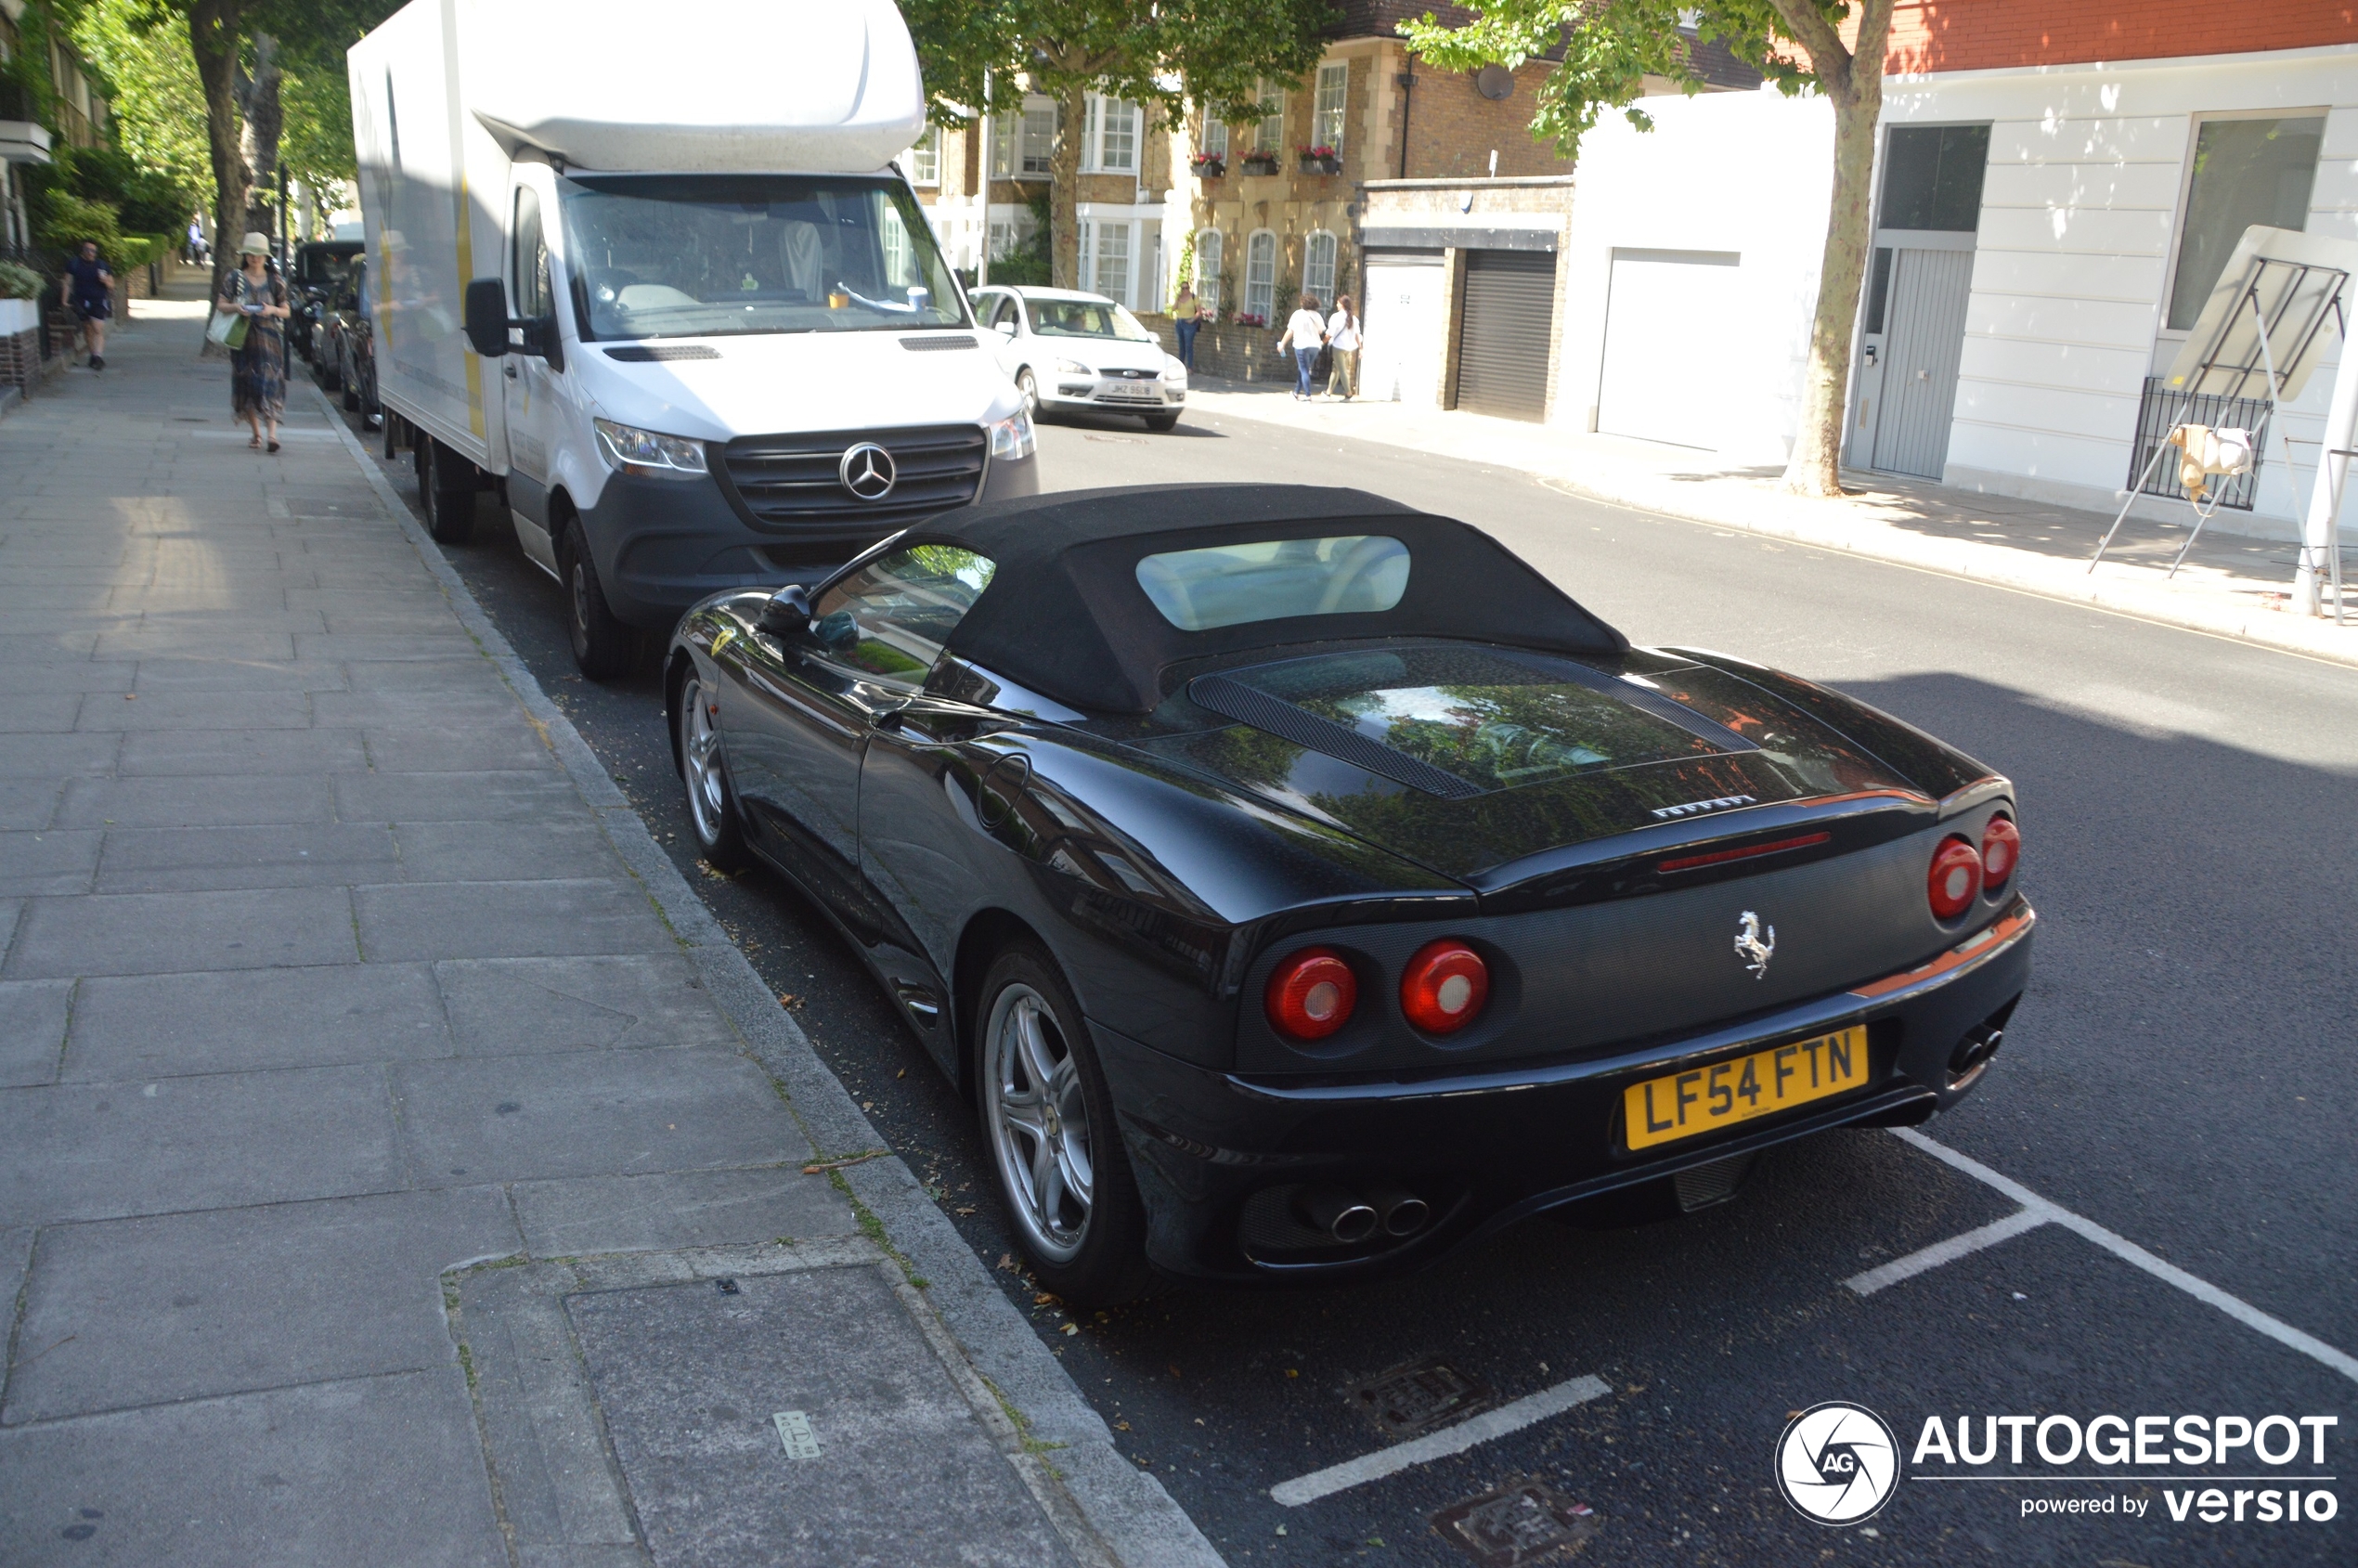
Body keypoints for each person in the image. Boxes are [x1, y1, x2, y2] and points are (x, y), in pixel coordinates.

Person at [219, 232, 290, 452]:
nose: (255, 258)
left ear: (266, 257)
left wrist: (272, 310)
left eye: (259, 255)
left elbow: (287, 311)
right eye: (251, 254)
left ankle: (272, 435)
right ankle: (256, 434)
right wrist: (236, 308)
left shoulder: (275, 281)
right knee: (247, 385)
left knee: (270, 385)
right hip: (243, 340)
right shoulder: (234, 278)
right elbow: (221, 304)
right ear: (245, 255)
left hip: (269, 342)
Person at [60, 240, 112, 370]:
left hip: (98, 300)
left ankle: (98, 357)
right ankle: (92, 355)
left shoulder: (101, 265)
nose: (90, 253)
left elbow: (111, 285)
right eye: (87, 250)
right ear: (82, 250)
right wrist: (64, 300)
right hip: (81, 301)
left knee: (97, 329)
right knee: (87, 329)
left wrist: (105, 281)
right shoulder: (74, 264)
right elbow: (67, 283)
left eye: (93, 251)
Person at [1276, 293, 1325, 400]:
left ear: (1303, 303)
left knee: (1304, 370)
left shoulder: (1298, 314)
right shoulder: (1317, 316)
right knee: (1303, 368)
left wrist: (1282, 343)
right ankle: (1296, 393)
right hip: (1315, 346)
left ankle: (1308, 395)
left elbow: (1290, 331)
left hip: (1301, 345)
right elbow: (1321, 331)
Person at [1325, 294, 1362, 401]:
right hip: (1349, 348)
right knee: (1336, 368)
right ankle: (1328, 392)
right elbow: (1357, 335)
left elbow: (1329, 334)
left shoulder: (1336, 317)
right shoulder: (1354, 318)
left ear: (1342, 304)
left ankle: (1348, 393)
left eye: (1338, 303)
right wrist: (1361, 348)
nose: (1336, 305)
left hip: (1338, 347)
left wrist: (1322, 342)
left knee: (1341, 370)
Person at [1173, 282, 1199, 370]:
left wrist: (1192, 320)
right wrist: (1177, 299)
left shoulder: (1194, 297)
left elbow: (1199, 311)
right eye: (1183, 288)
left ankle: (1190, 367)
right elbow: (1173, 308)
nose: (1185, 290)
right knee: (1181, 345)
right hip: (1179, 322)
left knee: (1188, 345)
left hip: (1189, 323)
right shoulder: (1180, 298)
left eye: (1186, 288)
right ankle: (1181, 366)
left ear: (1189, 288)